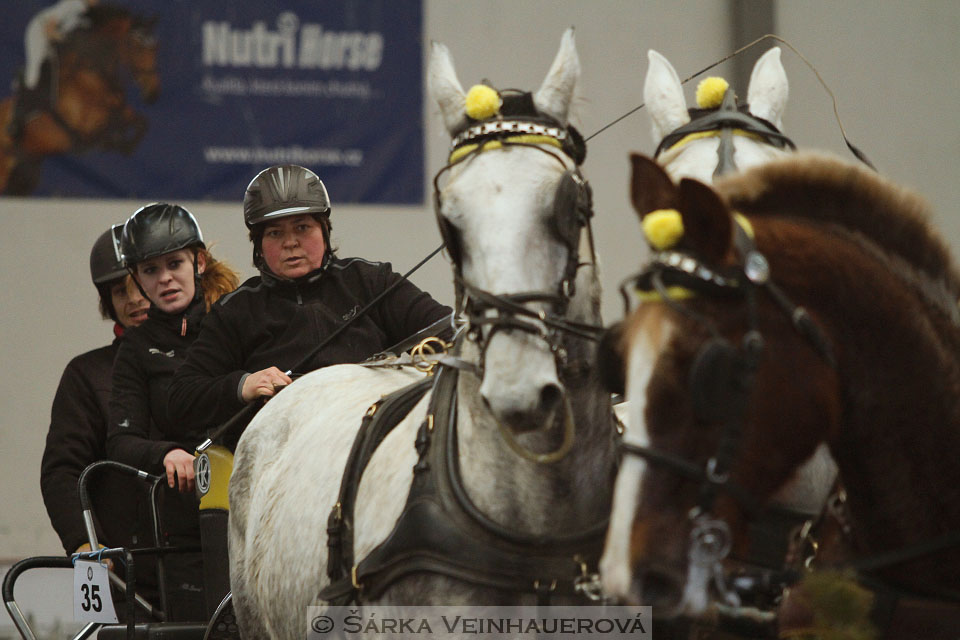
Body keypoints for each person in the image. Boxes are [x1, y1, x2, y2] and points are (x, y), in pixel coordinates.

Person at [167, 164, 452, 437]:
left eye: (302, 228)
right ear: (259, 246)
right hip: (284, 450)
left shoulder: (372, 281)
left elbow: (450, 331)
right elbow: (180, 397)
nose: (290, 242)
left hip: (373, 431)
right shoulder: (235, 310)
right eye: (275, 233)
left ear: (325, 231)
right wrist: (243, 384)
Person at [106, 203, 239, 622]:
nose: (164, 278)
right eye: (149, 270)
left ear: (198, 261)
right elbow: (121, 441)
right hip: (185, 531)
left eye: (174, 263)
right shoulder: (136, 347)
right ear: (137, 279)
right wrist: (165, 453)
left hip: (258, 514)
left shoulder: (239, 318)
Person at [40, 226, 155, 613]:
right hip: (113, 569)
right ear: (107, 301)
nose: (135, 299)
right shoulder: (85, 374)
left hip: (198, 559)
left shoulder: (207, 361)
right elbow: (61, 471)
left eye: (141, 282)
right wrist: (81, 542)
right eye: (120, 291)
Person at [9, 0, 97, 140]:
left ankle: (26, 117)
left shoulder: (87, 13)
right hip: (39, 32)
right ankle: (15, 121)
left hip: (53, 42)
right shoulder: (72, 4)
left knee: (51, 92)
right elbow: (49, 30)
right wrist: (65, 41)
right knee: (33, 78)